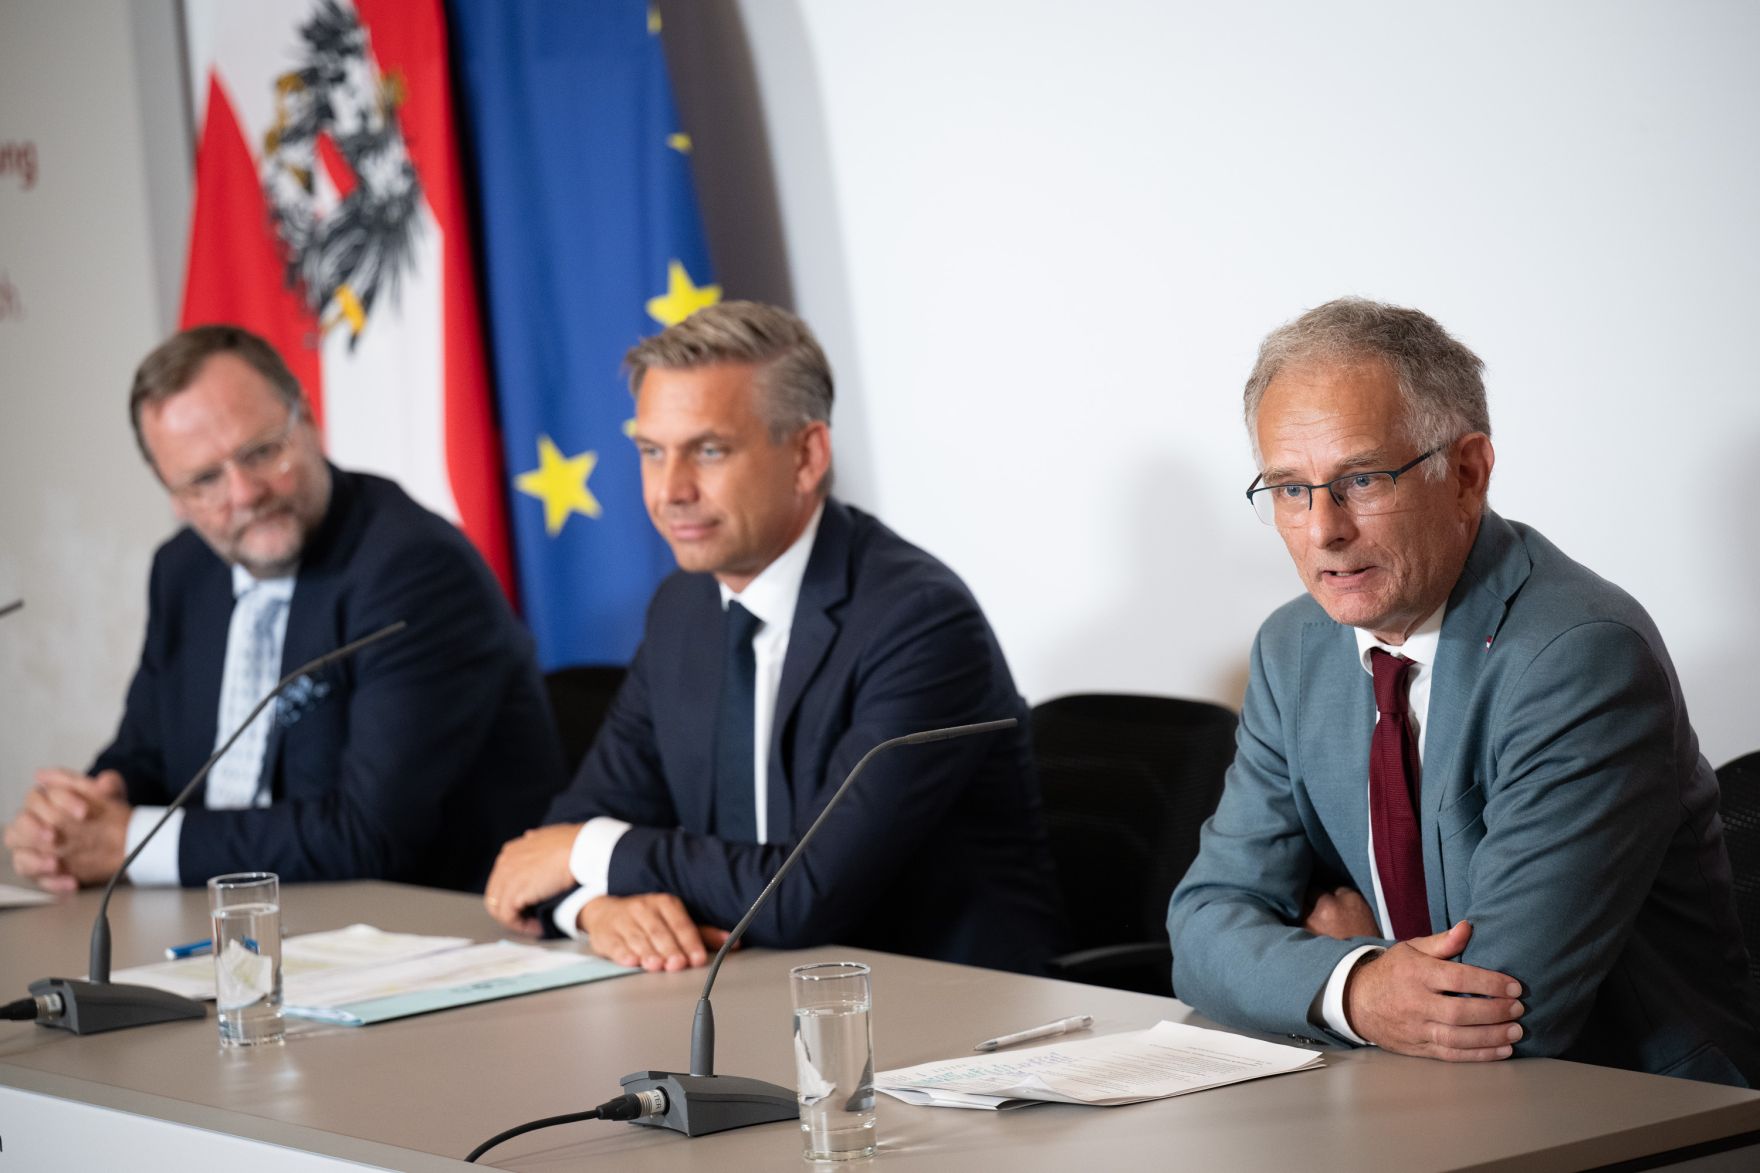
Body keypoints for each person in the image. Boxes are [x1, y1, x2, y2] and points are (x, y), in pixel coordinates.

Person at [1167, 297, 1759, 1085]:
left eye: (1361, 478)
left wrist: (1338, 953)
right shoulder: (1294, 647)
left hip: (1618, 1106)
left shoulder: (1580, 656)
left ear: (1468, 473)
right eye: (1288, 489)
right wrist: (1361, 981)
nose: (1322, 530)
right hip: (1400, 1099)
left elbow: (1511, 1003)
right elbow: (1203, 928)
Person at [483, 301, 1061, 974]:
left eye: (709, 449)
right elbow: (556, 840)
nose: (670, 490)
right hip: (745, 1000)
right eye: (650, 451)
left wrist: (591, 854)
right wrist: (596, 907)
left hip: (944, 1025)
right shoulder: (682, 609)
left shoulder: (920, 622)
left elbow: (801, 895)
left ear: (807, 455)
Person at [2, 325, 563, 893]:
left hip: (424, 931)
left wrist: (124, 843)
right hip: (231, 926)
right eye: (204, 479)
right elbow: (148, 756)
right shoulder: (184, 571)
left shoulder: (413, 569)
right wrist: (74, 820)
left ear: (307, 420)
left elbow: (370, 834)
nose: (244, 493)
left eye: (262, 452)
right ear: (171, 492)